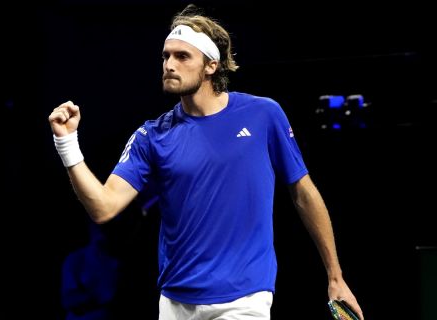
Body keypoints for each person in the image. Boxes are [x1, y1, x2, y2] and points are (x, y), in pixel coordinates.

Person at [49, 4, 364, 320]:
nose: (170, 64)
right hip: (174, 303)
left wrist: (335, 276)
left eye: (182, 57)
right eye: (166, 56)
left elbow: (303, 193)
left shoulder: (264, 114)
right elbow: (103, 207)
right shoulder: (151, 135)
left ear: (211, 65)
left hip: (243, 300)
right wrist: (66, 143)